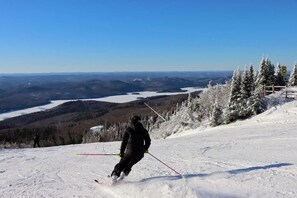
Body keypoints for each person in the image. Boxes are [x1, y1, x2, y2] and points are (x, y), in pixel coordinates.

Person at [111, 115, 151, 183]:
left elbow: (124, 142)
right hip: (139, 154)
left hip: (129, 152)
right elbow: (148, 141)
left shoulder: (129, 129)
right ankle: (123, 175)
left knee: (121, 164)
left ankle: (114, 177)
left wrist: (121, 152)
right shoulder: (144, 131)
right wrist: (144, 149)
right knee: (129, 164)